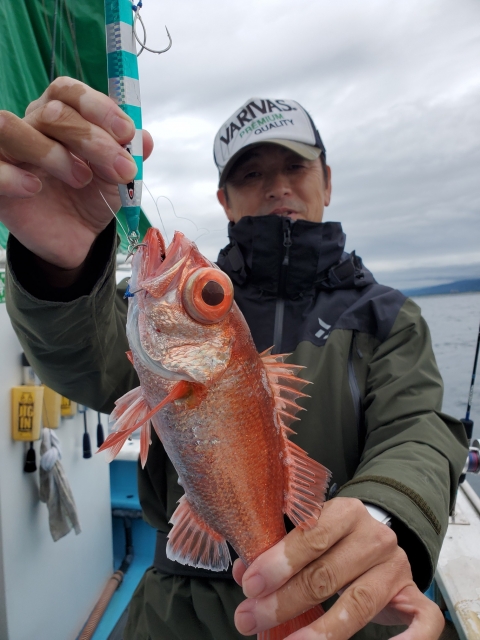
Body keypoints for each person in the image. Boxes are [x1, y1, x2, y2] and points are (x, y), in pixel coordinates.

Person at [0, 78, 468, 640]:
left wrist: (382, 514)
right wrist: (58, 267)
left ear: (327, 180)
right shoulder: (172, 327)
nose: (277, 188)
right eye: (251, 173)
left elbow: (417, 429)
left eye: (295, 167)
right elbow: (88, 362)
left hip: (341, 606)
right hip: (178, 612)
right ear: (223, 197)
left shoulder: (388, 317)